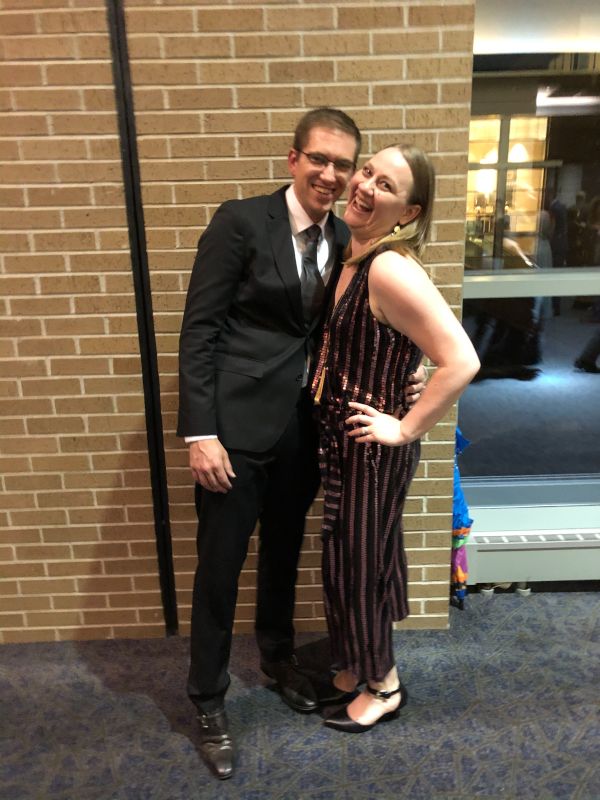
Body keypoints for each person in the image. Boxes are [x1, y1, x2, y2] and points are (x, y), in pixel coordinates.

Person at [177, 109, 425, 779]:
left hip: (304, 431)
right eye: (319, 159)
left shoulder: (349, 238)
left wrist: (415, 372)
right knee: (219, 567)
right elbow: (200, 330)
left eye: (344, 164)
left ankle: (279, 659)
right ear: (293, 159)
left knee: (283, 554)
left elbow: (361, 327)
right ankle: (207, 699)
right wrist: (201, 432)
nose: (332, 174)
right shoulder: (239, 222)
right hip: (232, 432)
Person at [310, 144, 480, 733]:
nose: (364, 186)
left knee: (360, 564)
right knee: (349, 555)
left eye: (386, 186)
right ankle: (356, 663)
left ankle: (384, 685)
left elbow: (462, 360)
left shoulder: (389, 267)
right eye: (368, 172)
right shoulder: (354, 255)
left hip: (371, 450)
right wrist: (409, 371)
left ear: (408, 213)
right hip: (346, 444)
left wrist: (405, 426)